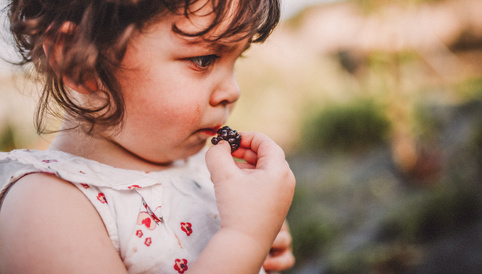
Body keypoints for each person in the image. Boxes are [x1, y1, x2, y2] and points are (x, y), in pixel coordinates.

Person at [0, 0, 296, 273]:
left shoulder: (193, 166)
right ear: (78, 61)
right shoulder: (46, 211)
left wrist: (260, 238)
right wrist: (245, 237)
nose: (233, 91)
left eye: (237, 59)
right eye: (204, 59)